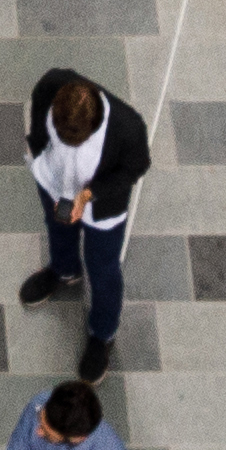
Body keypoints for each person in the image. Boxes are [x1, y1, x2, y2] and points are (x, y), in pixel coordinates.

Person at [17, 65, 150, 375]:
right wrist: (38, 149)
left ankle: (102, 335)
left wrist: (88, 195)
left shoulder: (128, 128)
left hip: (100, 205)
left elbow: (135, 168)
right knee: (57, 227)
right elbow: (39, 115)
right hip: (55, 180)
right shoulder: (52, 84)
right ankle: (64, 271)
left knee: (103, 267)